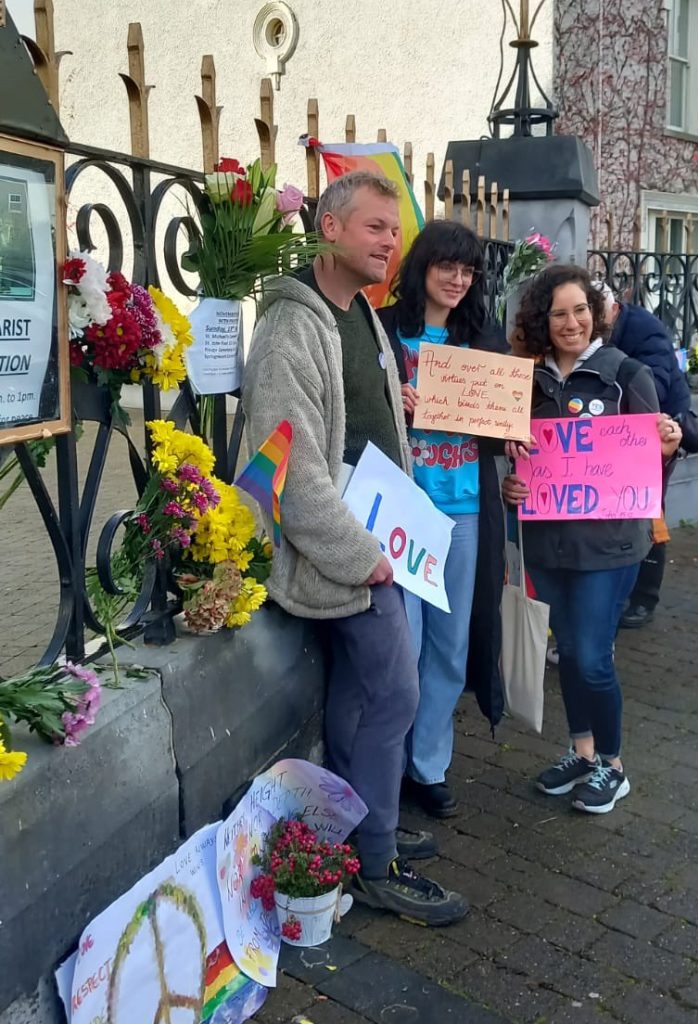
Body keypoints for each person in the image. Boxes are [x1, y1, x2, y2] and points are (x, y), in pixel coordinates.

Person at [242, 171, 468, 924]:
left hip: (378, 542)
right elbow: (285, 461)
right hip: (344, 554)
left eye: (394, 230)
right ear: (330, 229)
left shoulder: (362, 318)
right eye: (375, 227)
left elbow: (376, 432)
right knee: (391, 692)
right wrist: (358, 555)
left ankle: (355, 832)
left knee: (358, 698)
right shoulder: (291, 326)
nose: (389, 242)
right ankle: (373, 865)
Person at [502, 265, 682, 814]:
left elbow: (649, 454)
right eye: (559, 313)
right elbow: (514, 456)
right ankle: (580, 752)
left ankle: (613, 765)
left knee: (590, 656)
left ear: (596, 314)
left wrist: (668, 443)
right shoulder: (527, 383)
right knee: (570, 653)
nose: (571, 322)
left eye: (580, 310)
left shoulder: (624, 373)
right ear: (543, 320)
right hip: (549, 544)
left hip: (610, 547)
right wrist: (513, 484)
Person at [376, 220, 508, 819]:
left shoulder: (483, 339)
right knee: (403, 644)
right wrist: (392, 403)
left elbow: (506, 423)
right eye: (446, 266)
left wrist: (517, 446)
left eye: (468, 270)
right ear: (422, 267)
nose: (458, 279)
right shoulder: (382, 331)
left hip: (465, 511)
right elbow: (352, 411)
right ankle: (389, 761)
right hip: (404, 510)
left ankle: (428, 766)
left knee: (451, 646)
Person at [597, 285, 693, 629]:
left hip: (653, 431)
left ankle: (644, 599)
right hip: (611, 437)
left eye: (595, 315)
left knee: (650, 511)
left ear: (613, 310)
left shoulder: (644, 328)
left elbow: (658, 386)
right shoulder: (606, 329)